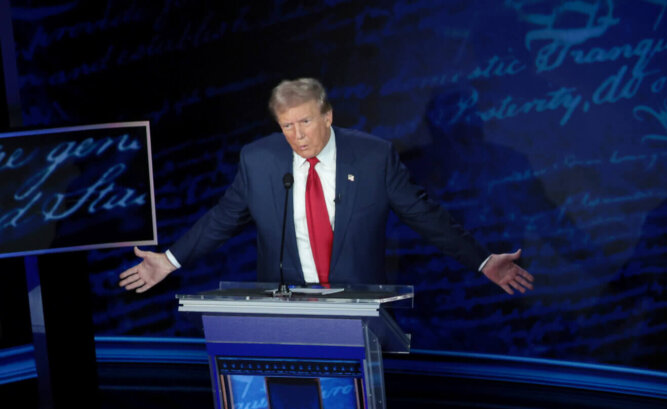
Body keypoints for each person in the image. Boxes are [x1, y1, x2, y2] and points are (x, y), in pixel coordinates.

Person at [118, 77, 533, 294]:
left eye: (305, 121)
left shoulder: (373, 158)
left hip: (357, 305)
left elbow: (426, 216)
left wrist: (482, 262)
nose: (296, 135)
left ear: (327, 116)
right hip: (285, 306)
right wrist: (168, 261)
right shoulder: (259, 161)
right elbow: (223, 219)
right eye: (286, 125)